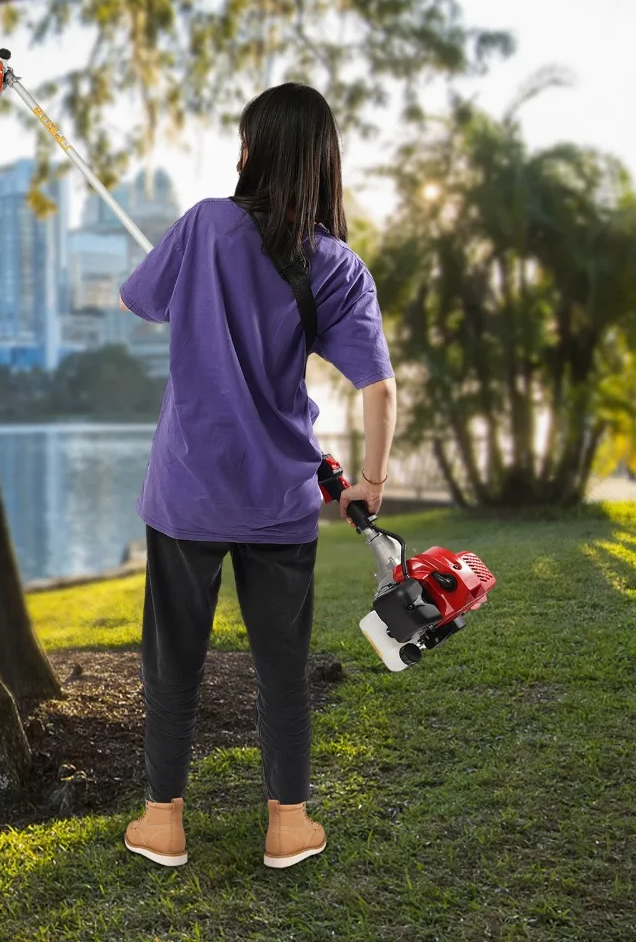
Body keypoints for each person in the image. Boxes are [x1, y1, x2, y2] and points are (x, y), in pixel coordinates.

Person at [118, 82, 397, 870]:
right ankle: (288, 827)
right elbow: (379, 388)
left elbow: (139, 300)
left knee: (174, 659)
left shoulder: (204, 223)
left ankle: (163, 824)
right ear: (324, 164)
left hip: (187, 494)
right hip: (279, 500)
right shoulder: (338, 265)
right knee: (282, 668)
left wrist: (194, 274)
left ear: (251, 151)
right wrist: (369, 482)